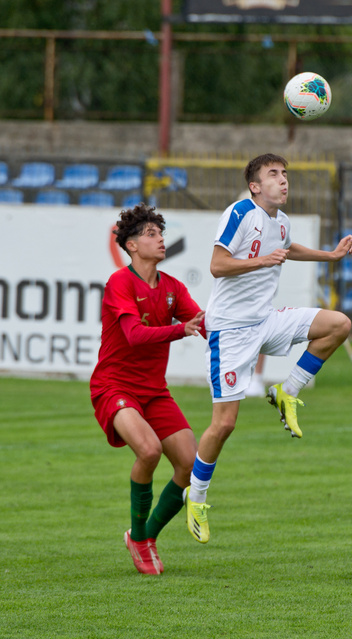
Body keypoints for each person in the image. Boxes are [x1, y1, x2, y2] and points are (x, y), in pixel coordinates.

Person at [184, 153, 352, 544]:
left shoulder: (281, 221)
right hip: (231, 331)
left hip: (266, 320)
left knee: (338, 325)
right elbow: (217, 264)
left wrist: (329, 255)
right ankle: (197, 496)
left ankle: (287, 390)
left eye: (285, 174)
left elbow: (288, 247)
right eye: (273, 175)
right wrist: (260, 261)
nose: (283, 181)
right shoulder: (241, 212)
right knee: (224, 424)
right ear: (255, 186)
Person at [90, 203, 205, 575]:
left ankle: (143, 537)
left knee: (191, 463)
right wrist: (180, 329)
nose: (160, 239)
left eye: (161, 233)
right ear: (132, 245)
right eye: (151, 234)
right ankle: (140, 536)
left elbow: (202, 323)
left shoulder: (172, 287)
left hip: (154, 390)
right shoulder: (119, 283)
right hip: (114, 386)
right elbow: (134, 336)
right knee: (149, 450)